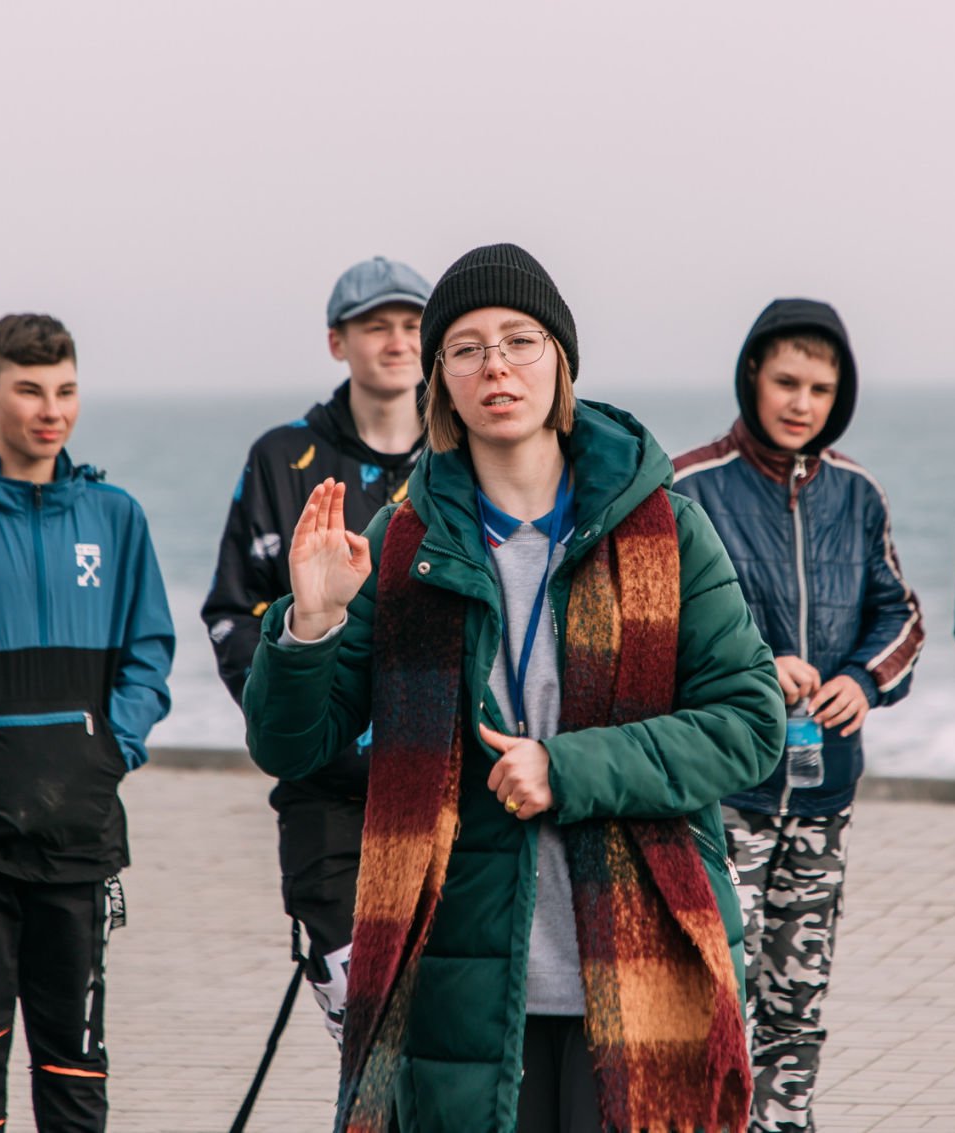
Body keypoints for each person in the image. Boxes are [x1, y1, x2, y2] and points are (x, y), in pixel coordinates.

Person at [243, 243, 786, 1133]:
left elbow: (748, 723)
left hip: (643, 968)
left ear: (560, 360)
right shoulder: (403, 543)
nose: (495, 365)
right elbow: (291, 743)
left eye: (520, 340)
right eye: (465, 348)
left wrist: (567, 769)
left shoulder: (665, 527)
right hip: (458, 979)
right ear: (441, 385)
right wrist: (311, 622)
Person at [0, 314, 175, 1133]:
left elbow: (149, 651)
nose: (52, 410)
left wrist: (112, 746)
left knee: (76, 1080)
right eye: (30, 390)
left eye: (66, 391)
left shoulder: (116, 517)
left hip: (78, 840)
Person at [672, 299, 923, 1132]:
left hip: (824, 794)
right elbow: (653, 633)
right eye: (787, 381)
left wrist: (865, 679)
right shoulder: (688, 487)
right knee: (715, 998)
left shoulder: (858, 493)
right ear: (752, 374)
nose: (802, 403)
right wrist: (753, 671)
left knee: (798, 1003)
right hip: (722, 794)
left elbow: (902, 615)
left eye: (821, 388)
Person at [202, 254, 432, 1043]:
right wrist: (294, 713)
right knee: (369, 1038)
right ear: (338, 342)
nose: (396, 342)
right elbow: (232, 611)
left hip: (446, 795)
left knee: (440, 1039)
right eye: (376, 326)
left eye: (412, 325)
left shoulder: (465, 458)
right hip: (325, 799)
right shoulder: (281, 457)